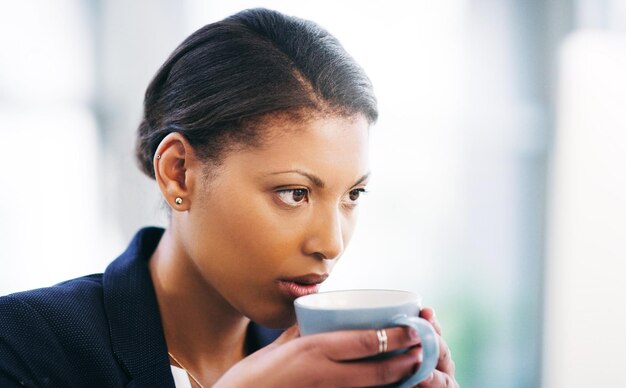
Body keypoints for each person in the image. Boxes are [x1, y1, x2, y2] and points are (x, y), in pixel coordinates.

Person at [0, 8, 458, 387]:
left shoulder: (325, 374)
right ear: (178, 172)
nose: (331, 243)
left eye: (353, 194)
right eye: (295, 193)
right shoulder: (23, 345)